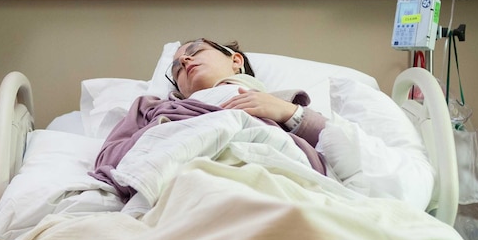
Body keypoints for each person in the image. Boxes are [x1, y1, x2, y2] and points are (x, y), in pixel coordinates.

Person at [90, 38, 329, 201]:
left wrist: (286, 111)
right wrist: (171, 127)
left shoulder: (283, 103)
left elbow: (330, 148)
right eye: (176, 70)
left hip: (272, 184)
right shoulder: (155, 109)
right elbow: (108, 159)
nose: (184, 61)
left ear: (236, 61)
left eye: (194, 51)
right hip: (187, 190)